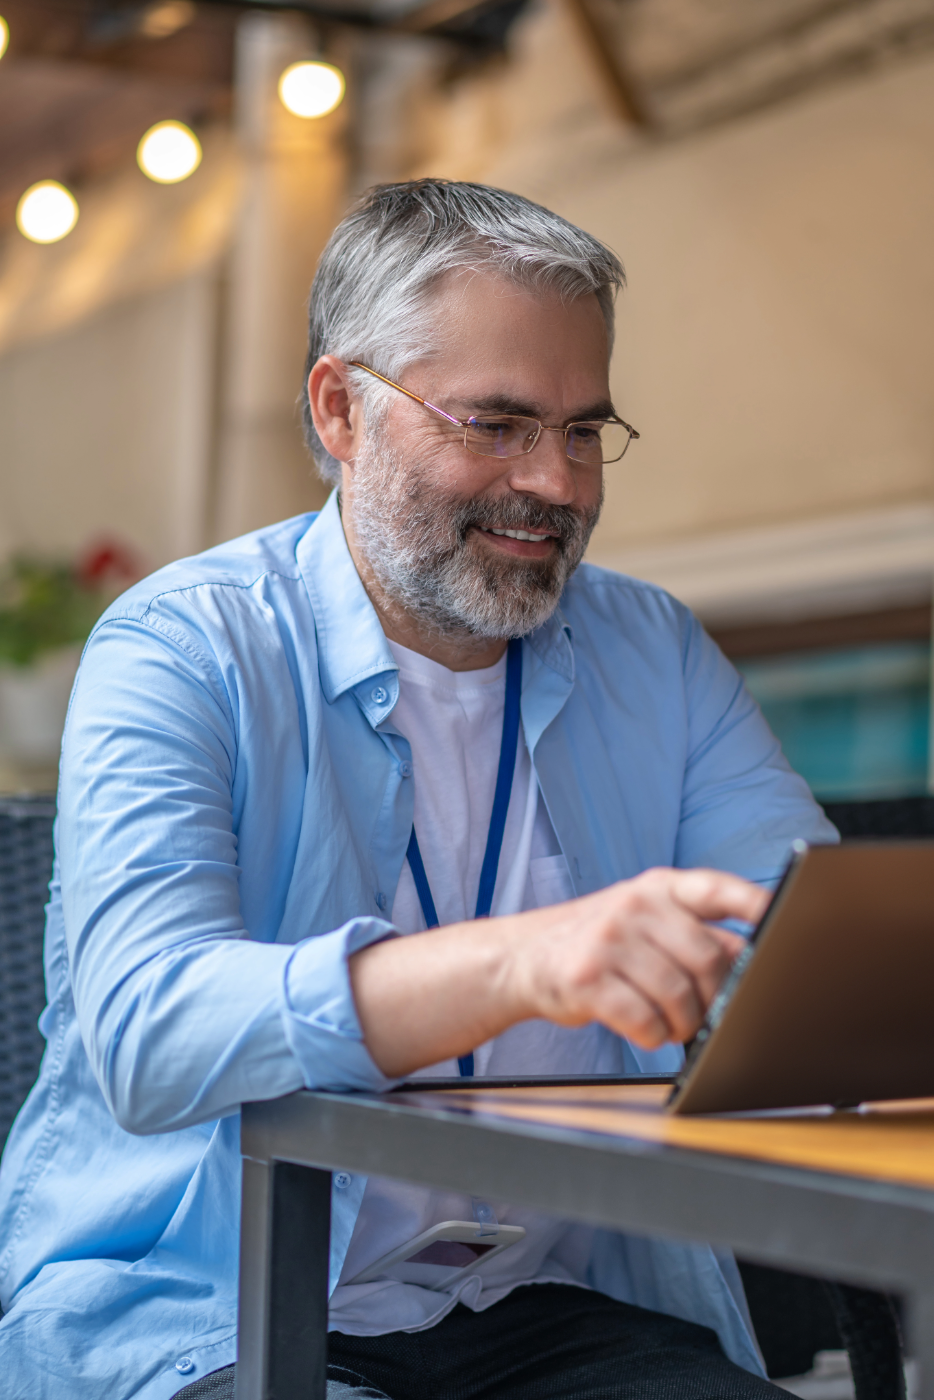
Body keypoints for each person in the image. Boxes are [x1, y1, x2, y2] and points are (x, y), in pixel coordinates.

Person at [0, 179, 835, 1400]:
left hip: (536, 1298)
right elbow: (150, 1023)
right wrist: (522, 960)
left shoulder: (648, 650)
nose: (556, 480)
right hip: (202, 1307)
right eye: (495, 423)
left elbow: (802, 944)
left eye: (583, 429)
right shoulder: (183, 645)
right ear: (341, 409)